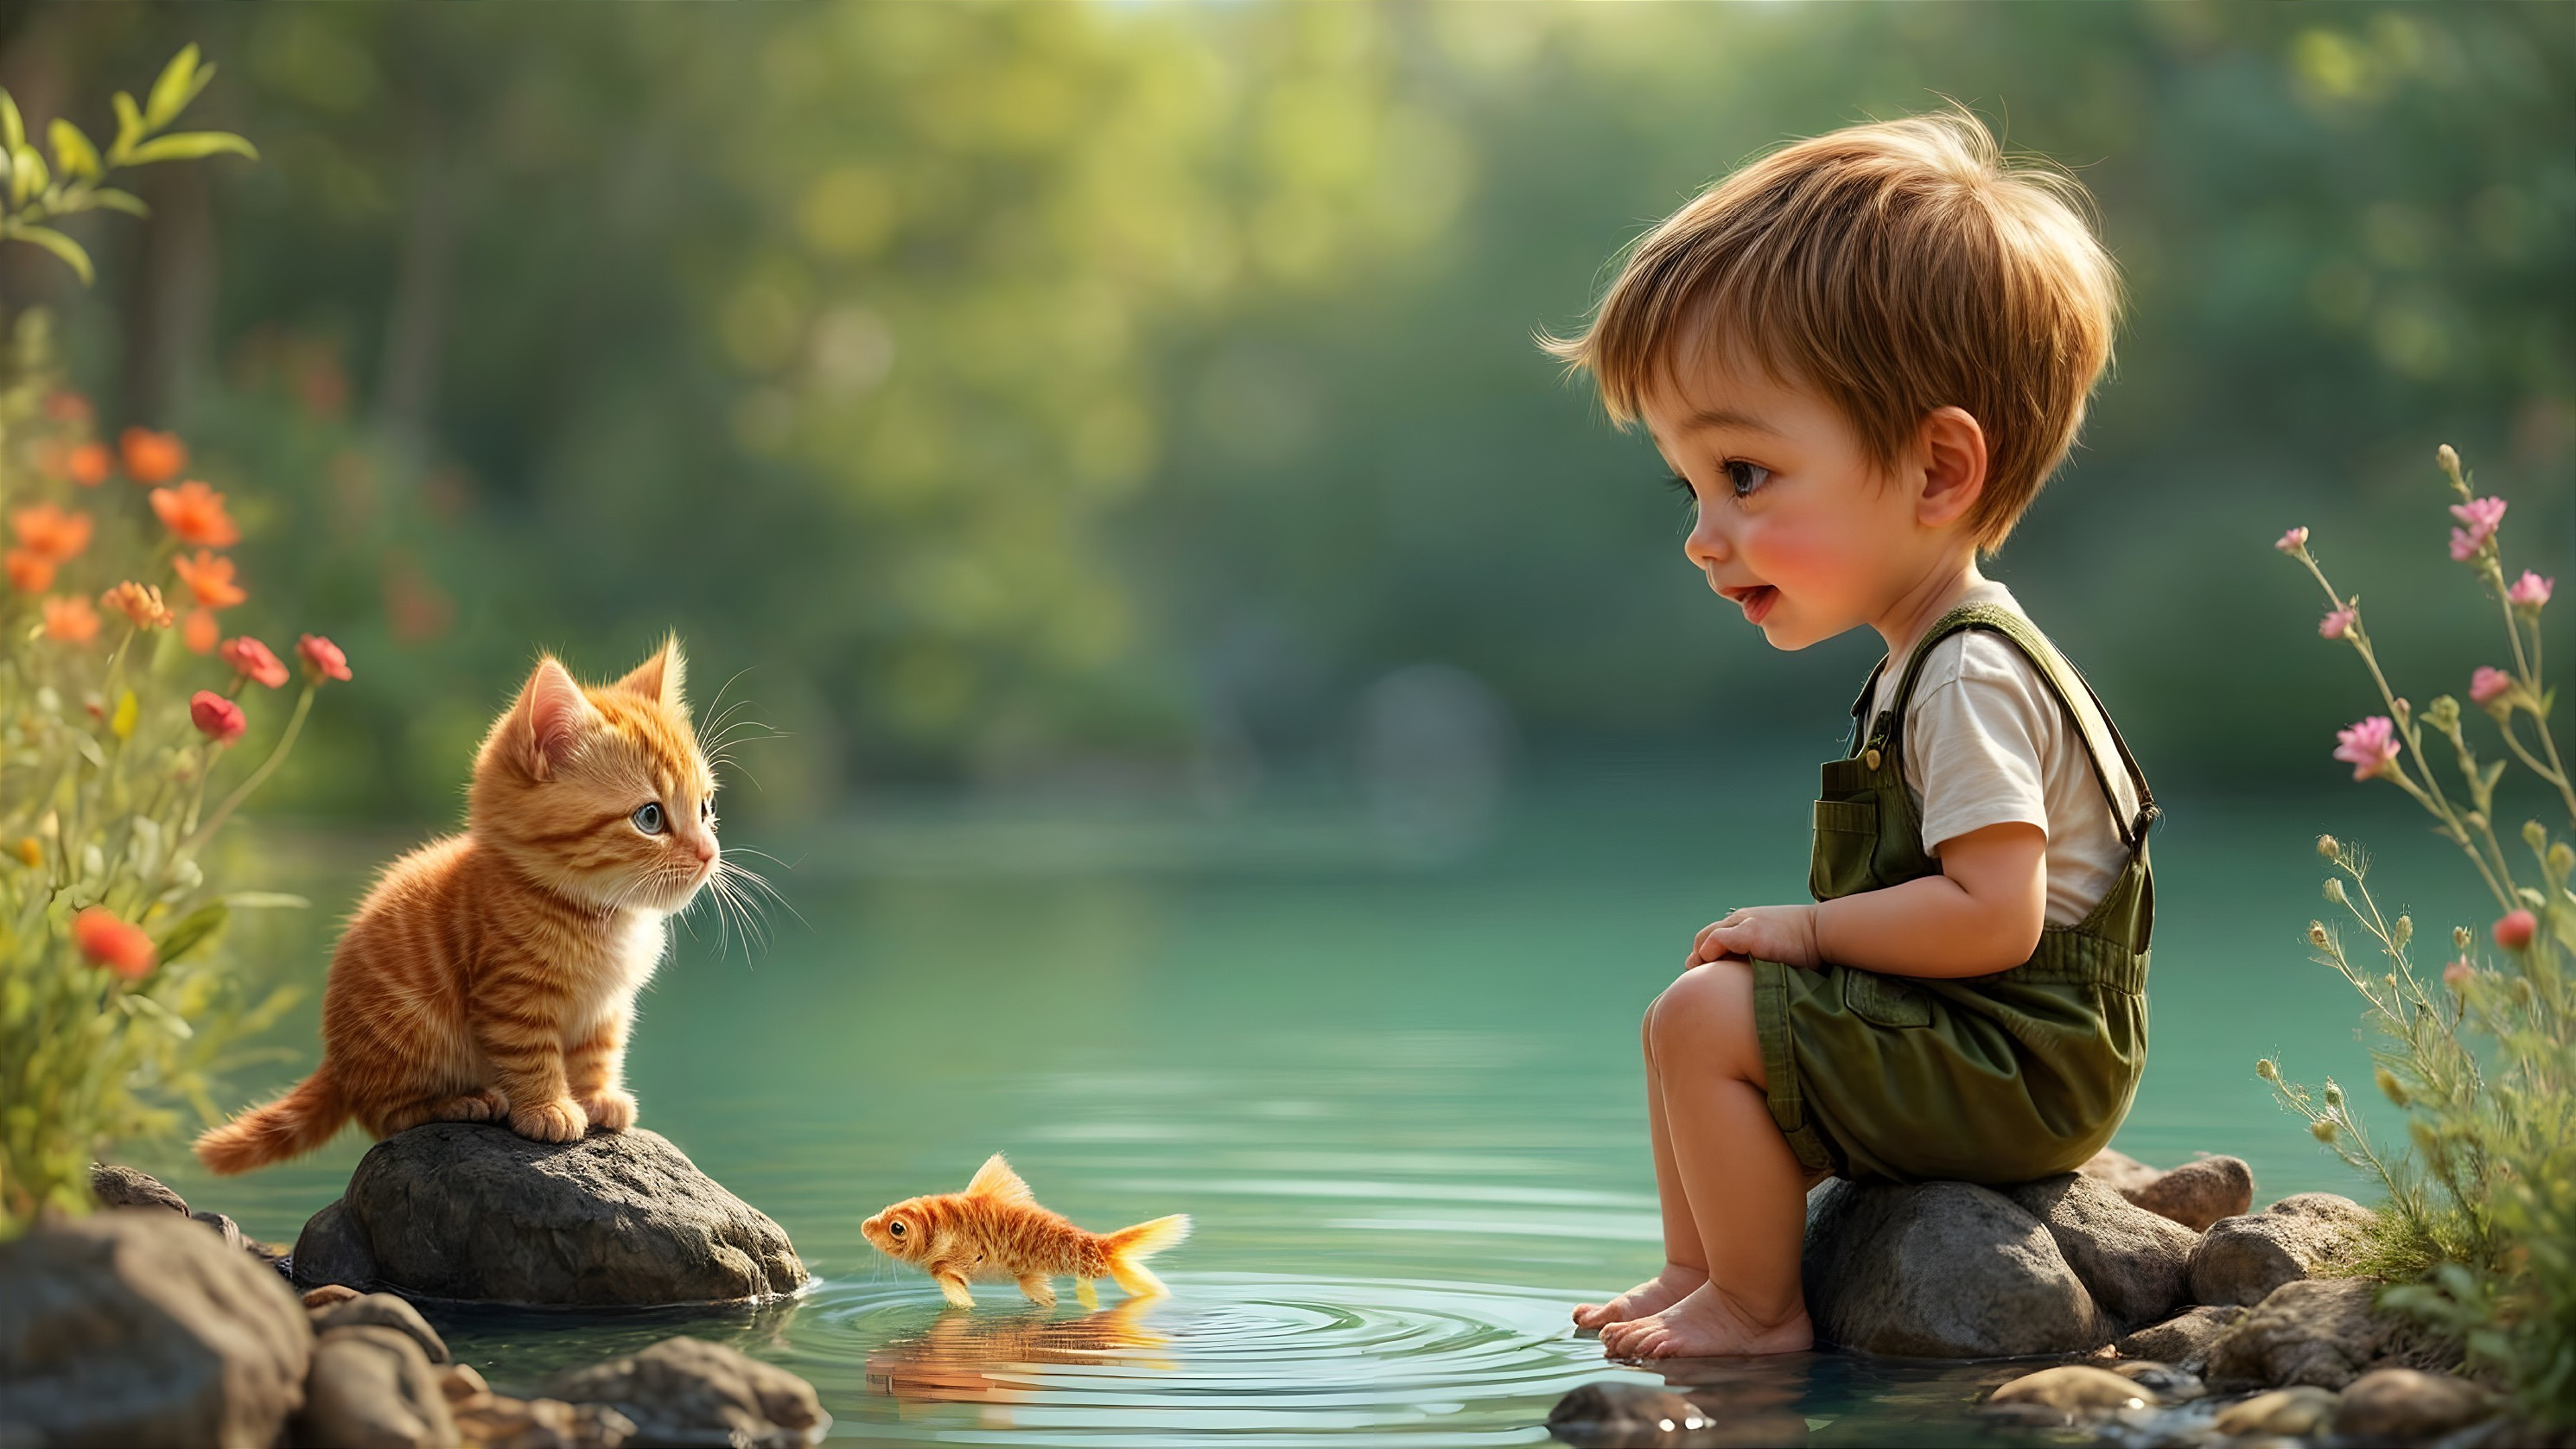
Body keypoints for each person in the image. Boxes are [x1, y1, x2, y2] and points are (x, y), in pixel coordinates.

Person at [1542, 107, 2158, 1358]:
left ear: (1937, 473)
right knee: (1706, 1001)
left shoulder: (1967, 673)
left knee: (1703, 1019)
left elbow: (1997, 915)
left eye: (1745, 477)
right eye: (1691, 483)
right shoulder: (1921, 658)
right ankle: (1700, 1266)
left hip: (2023, 1061)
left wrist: (1811, 929)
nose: (1702, 535)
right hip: (1985, 1036)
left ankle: (1758, 1311)